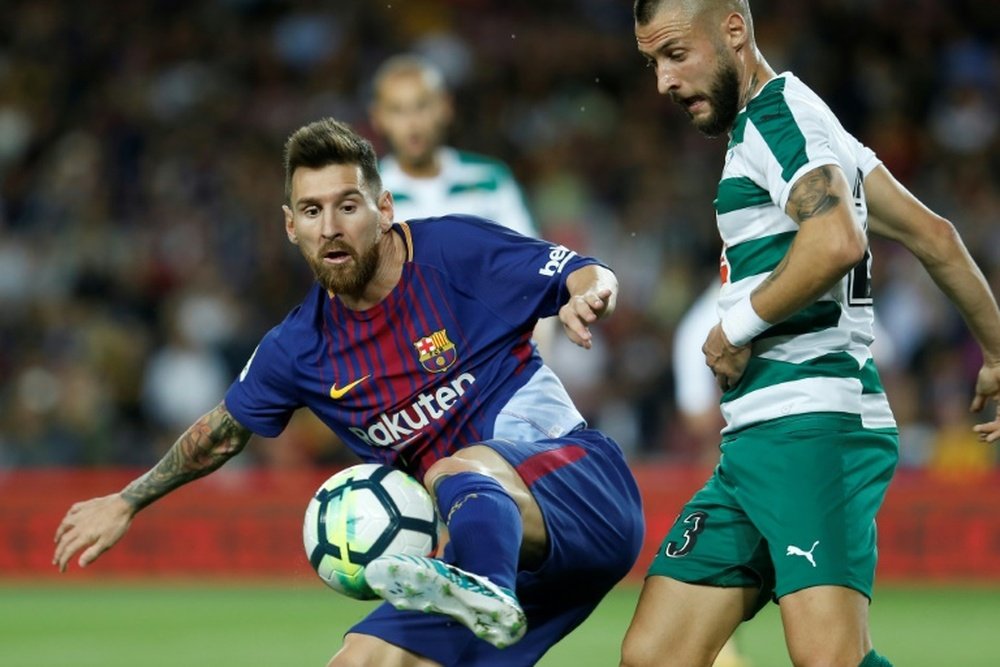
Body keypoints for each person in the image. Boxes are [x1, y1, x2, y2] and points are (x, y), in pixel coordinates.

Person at [53, 117, 644, 666]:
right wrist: (128, 500)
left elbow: (583, 269)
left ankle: (483, 583)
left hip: (582, 491)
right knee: (359, 659)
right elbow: (221, 432)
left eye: (347, 206)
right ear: (291, 226)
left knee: (452, 469)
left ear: (383, 209)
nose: (330, 227)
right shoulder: (298, 349)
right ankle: (481, 584)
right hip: (492, 557)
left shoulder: (455, 252)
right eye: (311, 211)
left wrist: (588, 294)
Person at [623, 2, 1000, 667]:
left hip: (811, 425)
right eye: (652, 62)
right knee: (654, 655)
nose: (664, 83)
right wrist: (997, 351)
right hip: (755, 443)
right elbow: (934, 236)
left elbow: (836, 238)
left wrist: (733, 328)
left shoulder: (778, 118)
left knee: (831, 660)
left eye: (677, 55)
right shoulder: (806, 124)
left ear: (734, 30)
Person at [369, 53, 538, 238]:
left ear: (446, 107)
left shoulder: (491, 180)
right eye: (397, 110)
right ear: (378, 117)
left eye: (422, 106)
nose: (412, 124)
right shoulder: (366, 193)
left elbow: (529, 259)